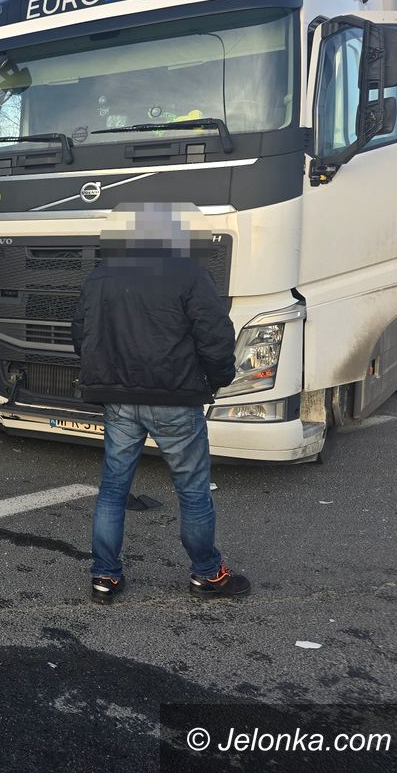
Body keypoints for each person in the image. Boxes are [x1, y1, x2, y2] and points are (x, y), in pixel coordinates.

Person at [71, 204, 250, 604]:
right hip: (176, 397)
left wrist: (104, 375)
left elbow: (81, 334)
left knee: (114, 489)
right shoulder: (189, 275)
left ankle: (105, 576)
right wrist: (218, 379)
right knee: (192, 491)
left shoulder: (101, 277)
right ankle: (207, 574)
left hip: (119, 398)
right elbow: (215, 335)